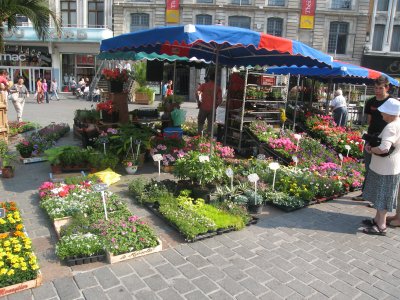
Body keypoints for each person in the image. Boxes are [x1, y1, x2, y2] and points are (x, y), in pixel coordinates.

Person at [361, 98, 400, 235]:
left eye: (384, 112)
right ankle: (377, 220)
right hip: (391, 166)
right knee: (382, 195)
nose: (382, 115)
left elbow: (384, 148)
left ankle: (381, 226)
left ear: (390, 113)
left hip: (385, 168)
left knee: (382, 195)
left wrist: (371, 149)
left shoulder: (391, 126)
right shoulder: (398, 123)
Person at [353, 76, 391, 201]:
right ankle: (365, 194)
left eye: (380, 88)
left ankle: (376, 198)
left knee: (382, 169)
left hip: (386, 139)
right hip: (372, 137)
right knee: (369, 167)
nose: (377, 91)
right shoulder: (370, 102)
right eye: (375, 88)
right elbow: (369, 120)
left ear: (387, 88)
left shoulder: (391, 102)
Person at [196, 71, 222, 135]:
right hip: (212, 109)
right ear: (215, 79)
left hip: (203, 107)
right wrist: (215, 106)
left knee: (200, 123)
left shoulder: (204, 85)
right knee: (210, 125)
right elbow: (220, 100)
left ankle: (199, 139)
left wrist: (199, 102)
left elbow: (197, 93)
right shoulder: (218, 88)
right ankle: (208, 140)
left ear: (209, 78)